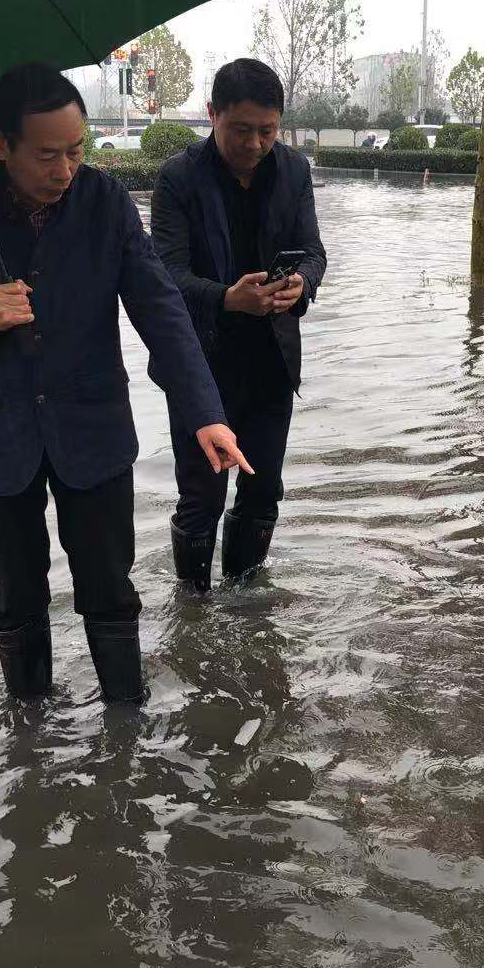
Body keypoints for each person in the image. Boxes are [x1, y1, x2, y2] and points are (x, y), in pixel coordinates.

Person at [0, 62, 249, 703]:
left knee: (110, 585)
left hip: (93, 427)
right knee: (17, 590)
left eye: (76, 150)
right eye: (47, 155)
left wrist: (205, 414)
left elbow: (159, 308)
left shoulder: (103, 201)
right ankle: (32, 735)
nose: (64, 171)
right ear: (1, 144)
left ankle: (124, 729)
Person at [149, 58, 327, 591]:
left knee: (262, 488)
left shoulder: (293, 170)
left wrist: (301, 284)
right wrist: (228, 298)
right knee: (201, 495)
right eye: (241, 131)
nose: (254, 144)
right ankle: (194, 606)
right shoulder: (178, 178)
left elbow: (314, 252)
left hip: (272, 359)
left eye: (267, 132)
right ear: (212, 116)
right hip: (201, 365)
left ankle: (247, 602)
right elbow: (164, 279)